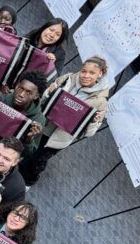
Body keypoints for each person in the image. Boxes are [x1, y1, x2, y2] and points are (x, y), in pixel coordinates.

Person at [19, 57, 109, 186]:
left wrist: (93, 121)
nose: (86, 76)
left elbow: (89, 133)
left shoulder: (101, 102)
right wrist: (48, 93)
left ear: (100, 74)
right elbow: (43, 101)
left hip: (58, 138)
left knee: (37, 161)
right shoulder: (67, 79)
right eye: (84, 71)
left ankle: (27, 183)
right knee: (24, 148)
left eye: (92, 73)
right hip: (42, 125)